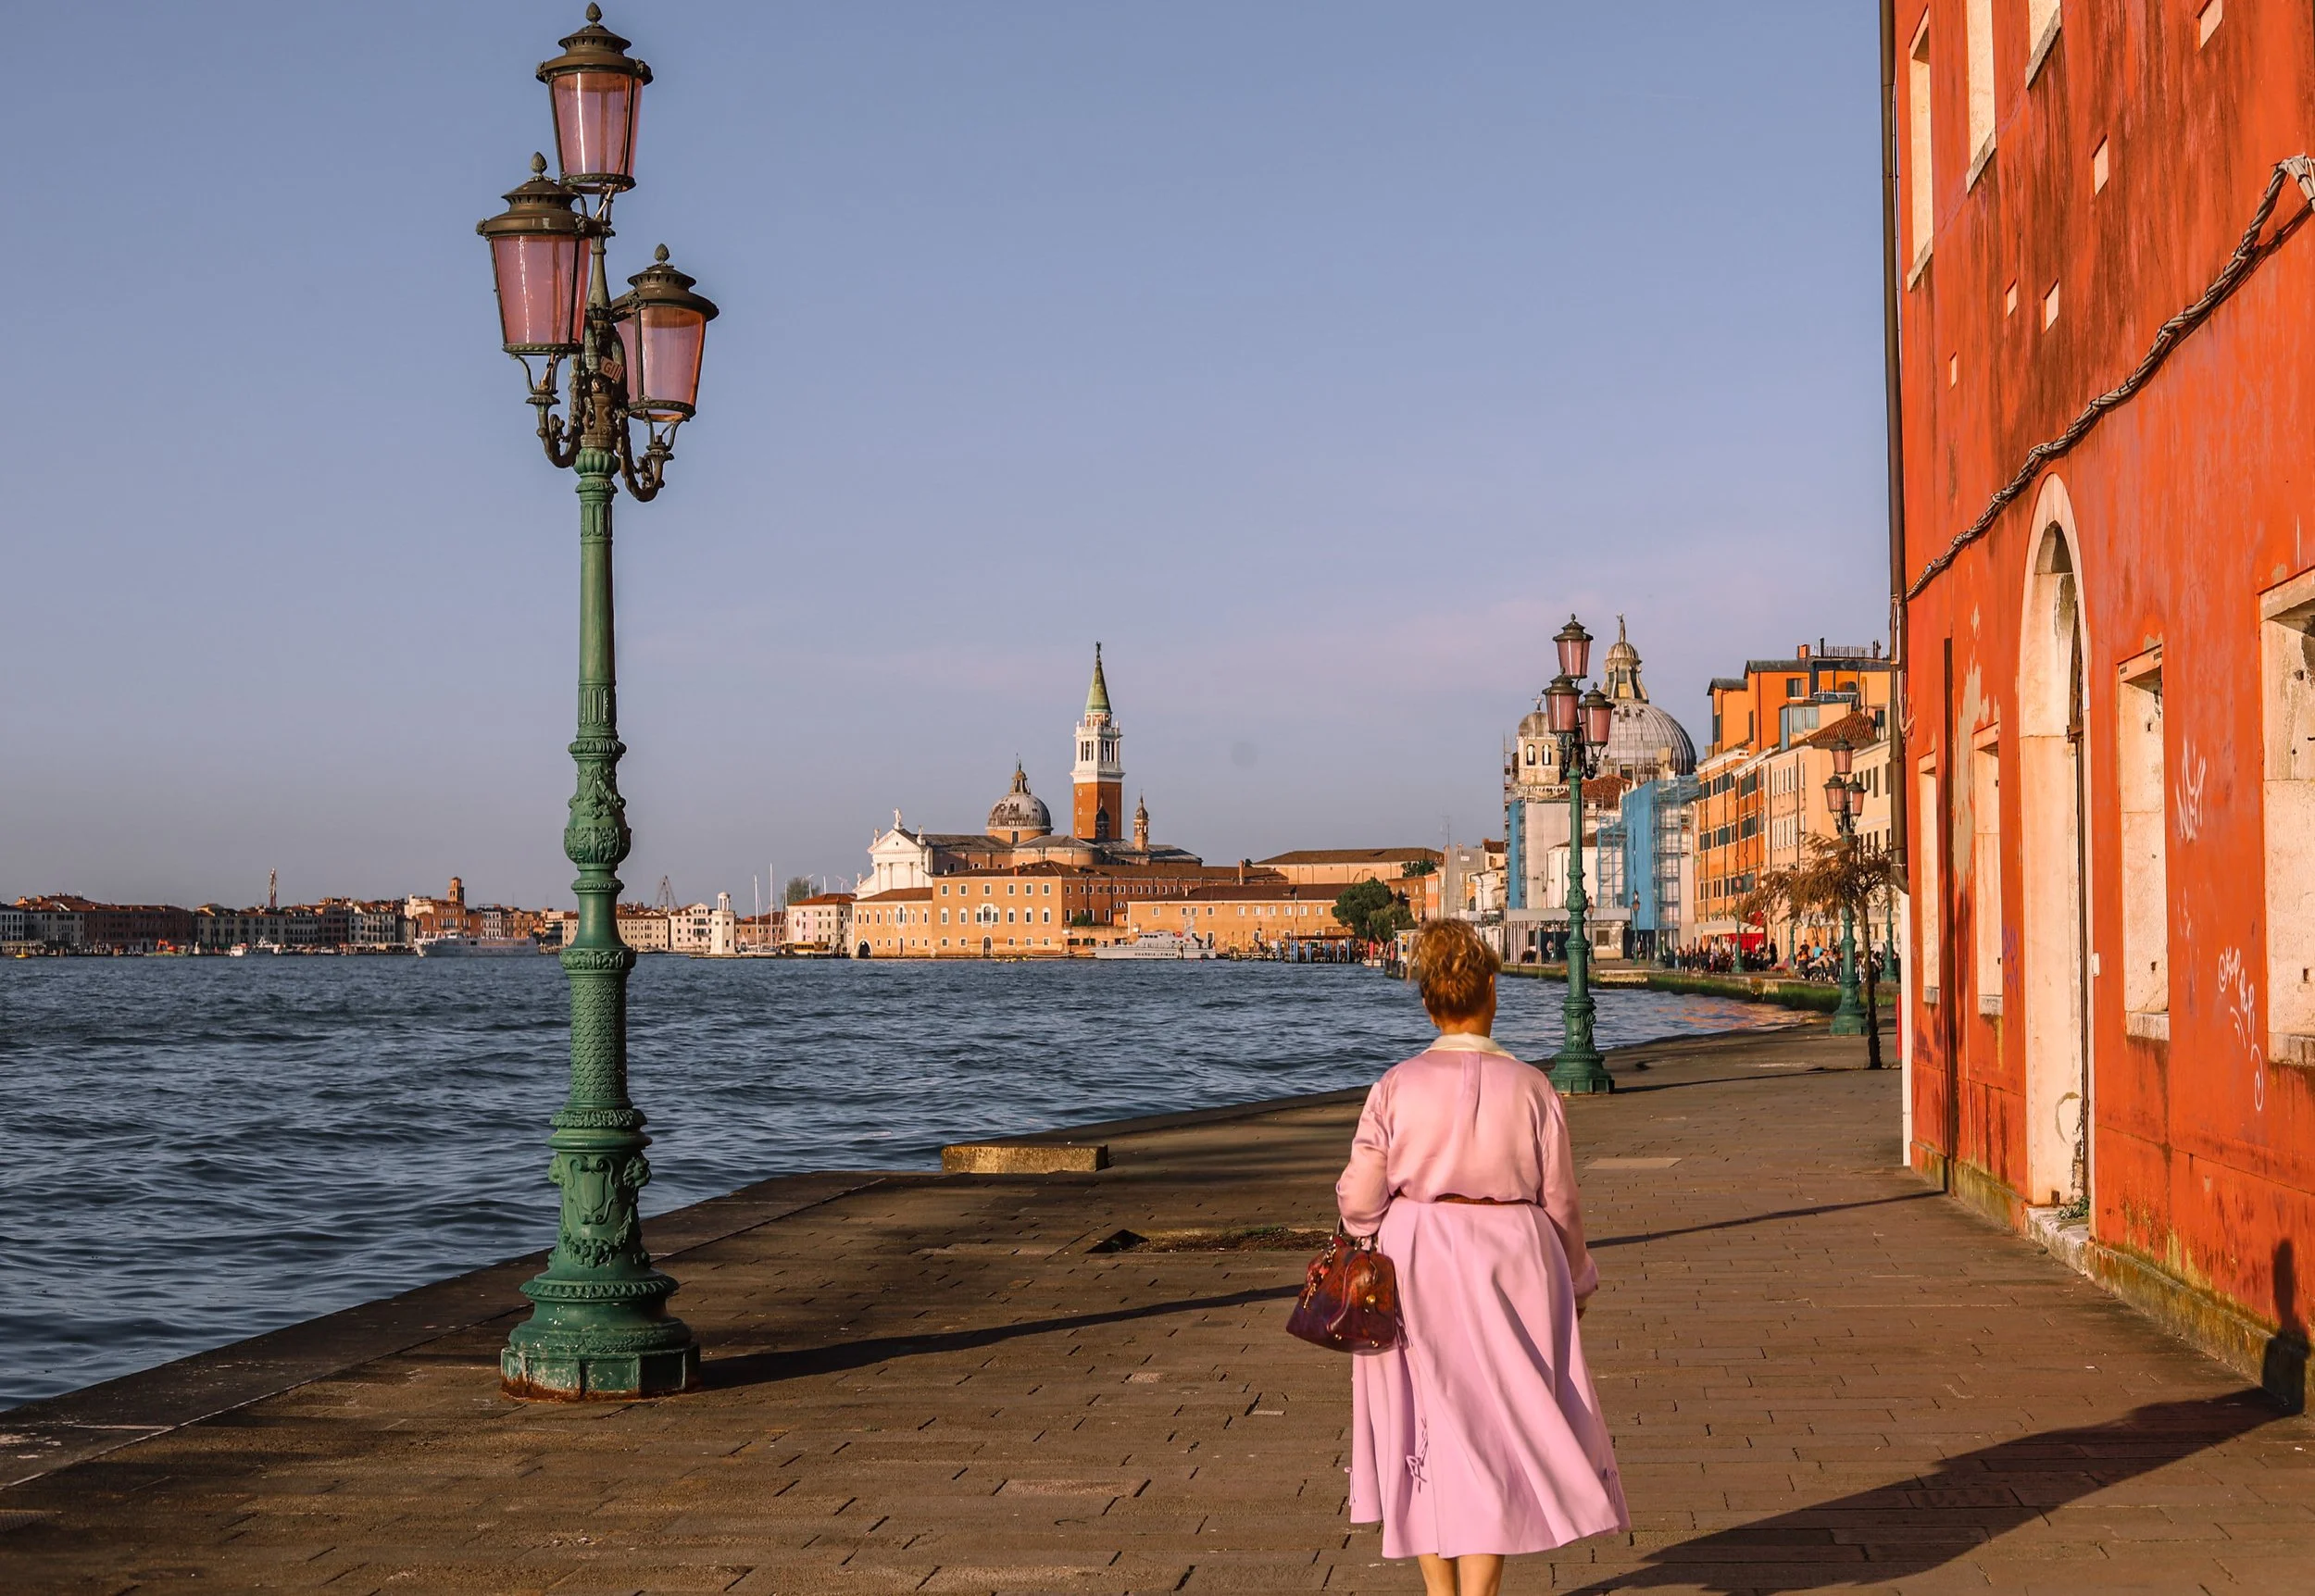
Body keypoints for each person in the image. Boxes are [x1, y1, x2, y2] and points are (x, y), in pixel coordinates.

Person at [1336, 919, 1627, 1596]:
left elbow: (1358, 1197)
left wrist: (1378, 1223)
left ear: (1429, 1001)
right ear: (1491, 990)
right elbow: (1563, 1202)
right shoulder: (1532, 1088)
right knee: (1496, 1427)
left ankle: (1442, 1591)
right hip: (1514, 1261)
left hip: (1416, 1259)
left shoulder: (1396, 1086)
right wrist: (1578, 1281)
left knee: (1423, 1420)